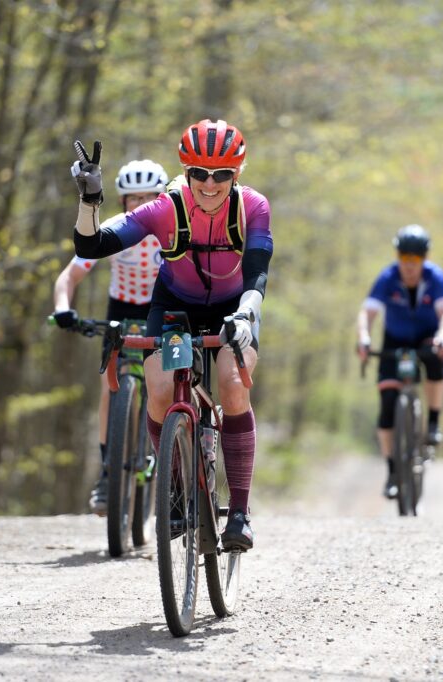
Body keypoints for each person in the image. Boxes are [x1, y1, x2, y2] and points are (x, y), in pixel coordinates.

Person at [69, 119, 272, 551]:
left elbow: (257, 275)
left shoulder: (252, 207)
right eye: (200, 173)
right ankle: (176, 492)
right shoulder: (166, 207)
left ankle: (239, 512)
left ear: (238, 173)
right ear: (186, 170)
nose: (210, 184)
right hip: (175, 305)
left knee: (234, 384)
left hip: (235, 308)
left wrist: (244, 316)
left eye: (222, 174)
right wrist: (90, 201)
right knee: (160, 387)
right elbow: (92, 246)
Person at [53, 159, 169, 515]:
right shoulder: (115, 232)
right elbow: (67, 278)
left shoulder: (169, 232)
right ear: (122, 202)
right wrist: (63, 309)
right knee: (109, 386)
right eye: (133, 198)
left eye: (149, 197)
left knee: (170, 381)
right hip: (120, 310)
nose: (141, 204)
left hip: (161, 309)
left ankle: (175, 458)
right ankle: (107, 473)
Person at [356, 224, 443, 499]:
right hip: (395, 340)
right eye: (404, 258)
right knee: (387, 407)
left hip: (428, 337)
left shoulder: (435, 277)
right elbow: (368, 313)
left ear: (423, 259)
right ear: (398, 256)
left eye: (415, 259)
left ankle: (433, 423)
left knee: (437, 358)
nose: (409, 265)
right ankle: (391, 471)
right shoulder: (387, 277)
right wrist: (364, 338)